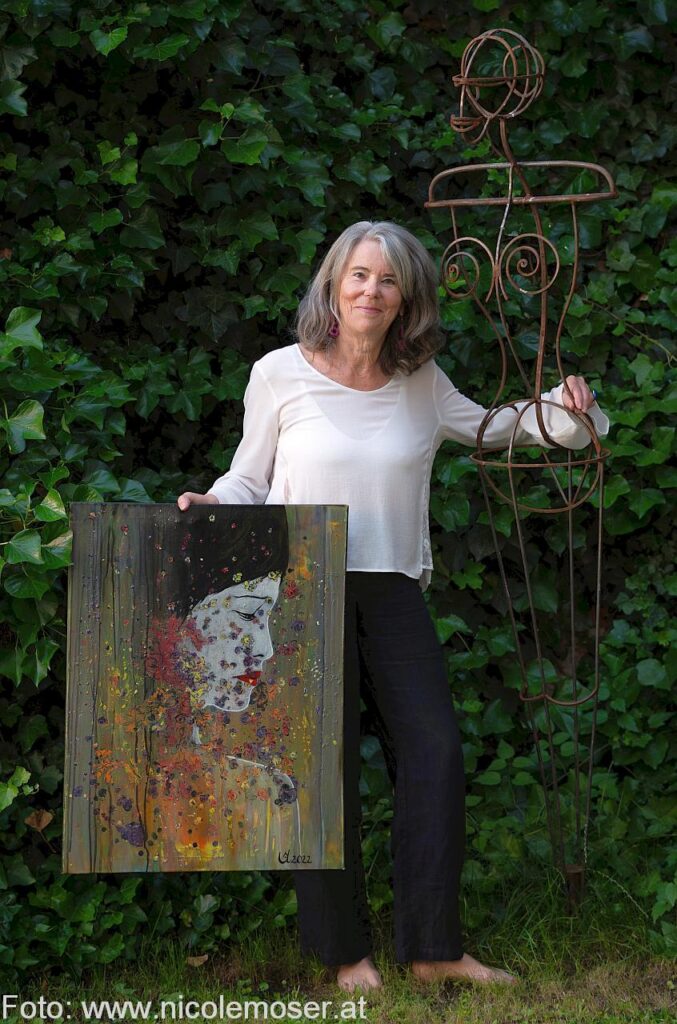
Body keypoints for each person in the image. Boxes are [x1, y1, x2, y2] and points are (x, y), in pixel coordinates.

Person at [177, 220, 609, 991]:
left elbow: (498, 429)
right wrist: (214, 501)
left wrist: (567, 407)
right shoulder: (279, 373)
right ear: (333, 285)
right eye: (358, 275)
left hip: (391, 588)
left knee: (434, 753)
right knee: (321, 770)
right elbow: (249, 475)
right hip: (299, 587)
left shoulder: (421, 383)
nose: (370, 291)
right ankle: (347, 956)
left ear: (405, 299)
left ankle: (433, 949)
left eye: (387, 280)